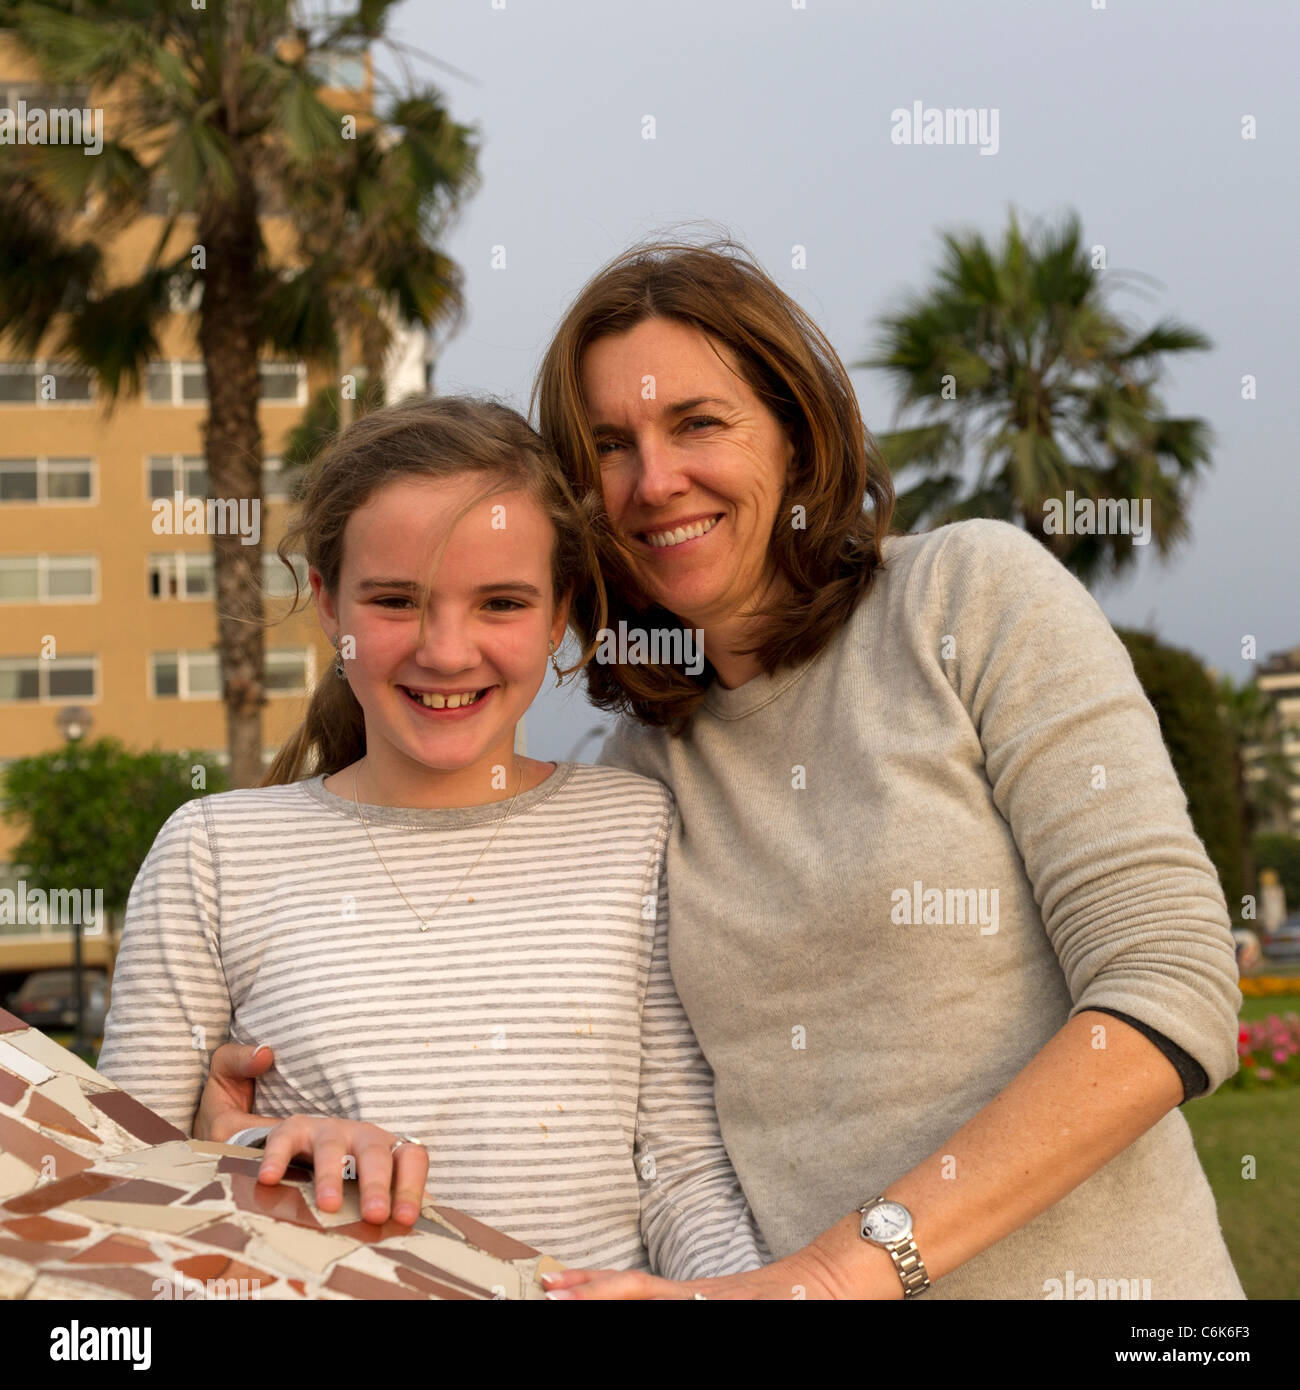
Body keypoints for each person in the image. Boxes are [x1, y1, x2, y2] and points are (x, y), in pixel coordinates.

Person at [525, 238, 1245, 1300]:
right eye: (610, 447)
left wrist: (831, 1273)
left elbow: (1171, 987)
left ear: (793, 429)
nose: (655, 479)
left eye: (697, 423)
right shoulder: (640, 774)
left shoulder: (969, 596)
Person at [95, 395, 766, 1279]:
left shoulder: (636, 828)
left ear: (561, 610)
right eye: (396, 601)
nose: (447, 652)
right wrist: (253, 1152)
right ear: (329, 605)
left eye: (500, 602)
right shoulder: (213, 853)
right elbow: (113, 1187)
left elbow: (681, 1169)